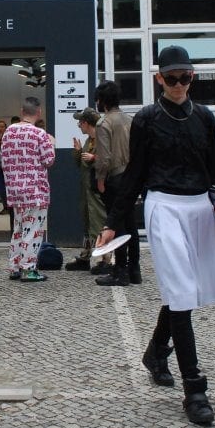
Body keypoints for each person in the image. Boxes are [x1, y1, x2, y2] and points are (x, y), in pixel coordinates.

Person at [95, 46, 215, 426]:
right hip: (164, 206)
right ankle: (195, 389)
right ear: (159, 79)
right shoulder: (146, 119)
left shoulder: (204, 117)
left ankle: (156, 351)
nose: (178, 84)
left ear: (192, 77)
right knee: (182, 292)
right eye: (171, 78)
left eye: (184, 77)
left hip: (200, 207)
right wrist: (112, 222)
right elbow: (135, 174)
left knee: (190, 290)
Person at [1, 97, 56, 282]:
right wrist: (51, 143)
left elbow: (3, 160)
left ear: (22, 111)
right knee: (33, 230)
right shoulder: (40, 134)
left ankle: (14, 266)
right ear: (39, 112)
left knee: (18, 228)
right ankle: (28, 269)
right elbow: (49, 161)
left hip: (15, 190)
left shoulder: (8, 132)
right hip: (35, 190)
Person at [93, 80, 141, 286]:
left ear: (101, 101)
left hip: (115, 177)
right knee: (131, 224)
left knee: (116, 225)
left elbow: (104, 157)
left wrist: (100, 179)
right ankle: (134, 269)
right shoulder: (130, 120)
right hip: (131, 176)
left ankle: (120, 271)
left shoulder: (103, 124)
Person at [65, 108, 106, 271]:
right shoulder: (89, 140)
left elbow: (110, 160)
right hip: (87, 190)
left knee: (99, 223)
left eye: (80, 122)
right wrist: (78, 153)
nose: (79, 125)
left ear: (87, 123)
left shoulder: (103, 139)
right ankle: (86, 256)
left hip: (97, 189)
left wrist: (94, 158)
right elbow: (83, 165)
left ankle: (105, 259)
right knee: (88, 223)